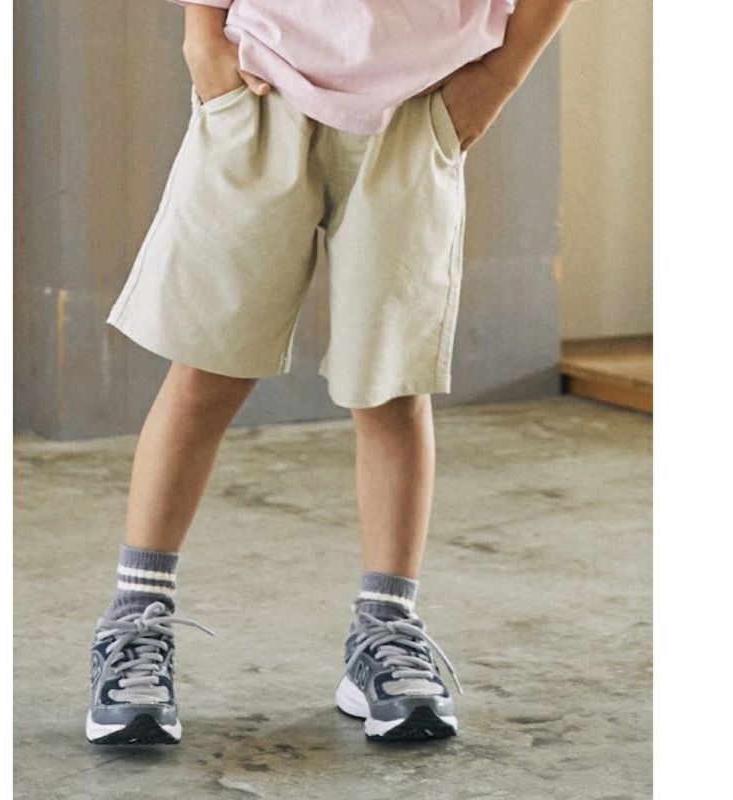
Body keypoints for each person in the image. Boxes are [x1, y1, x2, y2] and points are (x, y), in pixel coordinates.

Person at [85, 0, 577, 745]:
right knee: (206, 373)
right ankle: (134, 622)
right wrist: (202, 33)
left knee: (392, 385)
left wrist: (501, 75)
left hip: (419, 103)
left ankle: (386, 626)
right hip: (263, 87)